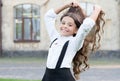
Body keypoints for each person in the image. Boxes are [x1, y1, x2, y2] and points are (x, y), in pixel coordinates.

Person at [42, 1, 105, 81]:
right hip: (47, 77)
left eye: (70, 25)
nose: (65, 26)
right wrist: (66, 5)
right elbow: (48, 17)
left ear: (76, 30)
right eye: (63, 23)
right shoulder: (55, 37)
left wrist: (97, 10)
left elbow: (86, 26)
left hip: (63, 78)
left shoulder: (74, 42)